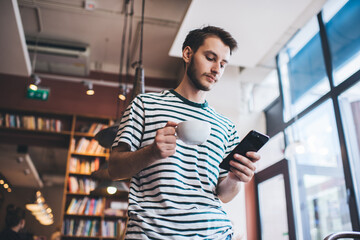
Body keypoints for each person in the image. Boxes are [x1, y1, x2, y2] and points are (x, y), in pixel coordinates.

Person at [109, 26, 260, 239]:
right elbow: (114, 168)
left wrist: (236, 178)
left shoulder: (226, 127)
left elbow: (223, 195)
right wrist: (152, 151)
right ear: (188, 54)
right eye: (210, 58)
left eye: (223, 64)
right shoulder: (144, 105)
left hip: (214, 233)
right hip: (152, 234)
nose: (217, 69)